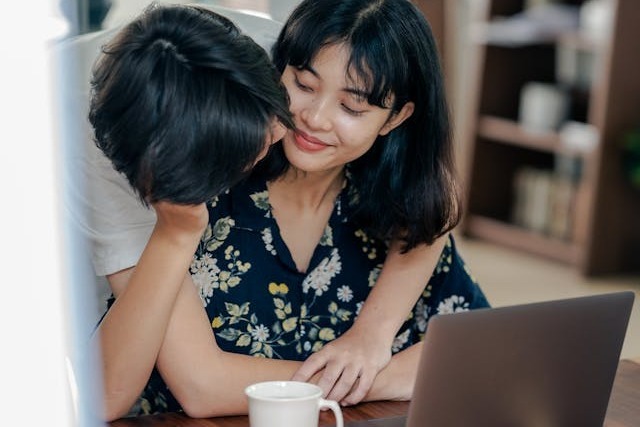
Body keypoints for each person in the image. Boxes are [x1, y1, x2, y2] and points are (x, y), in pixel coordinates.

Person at [90, 0, 489, 421]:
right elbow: (202, 388)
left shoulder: (401, 212)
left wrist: (373, 337)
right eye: (302, 84)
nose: (314, 119)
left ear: (394, 118)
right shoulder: (202, 176)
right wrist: (382, 378)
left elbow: (489, 351)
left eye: (352, 108)